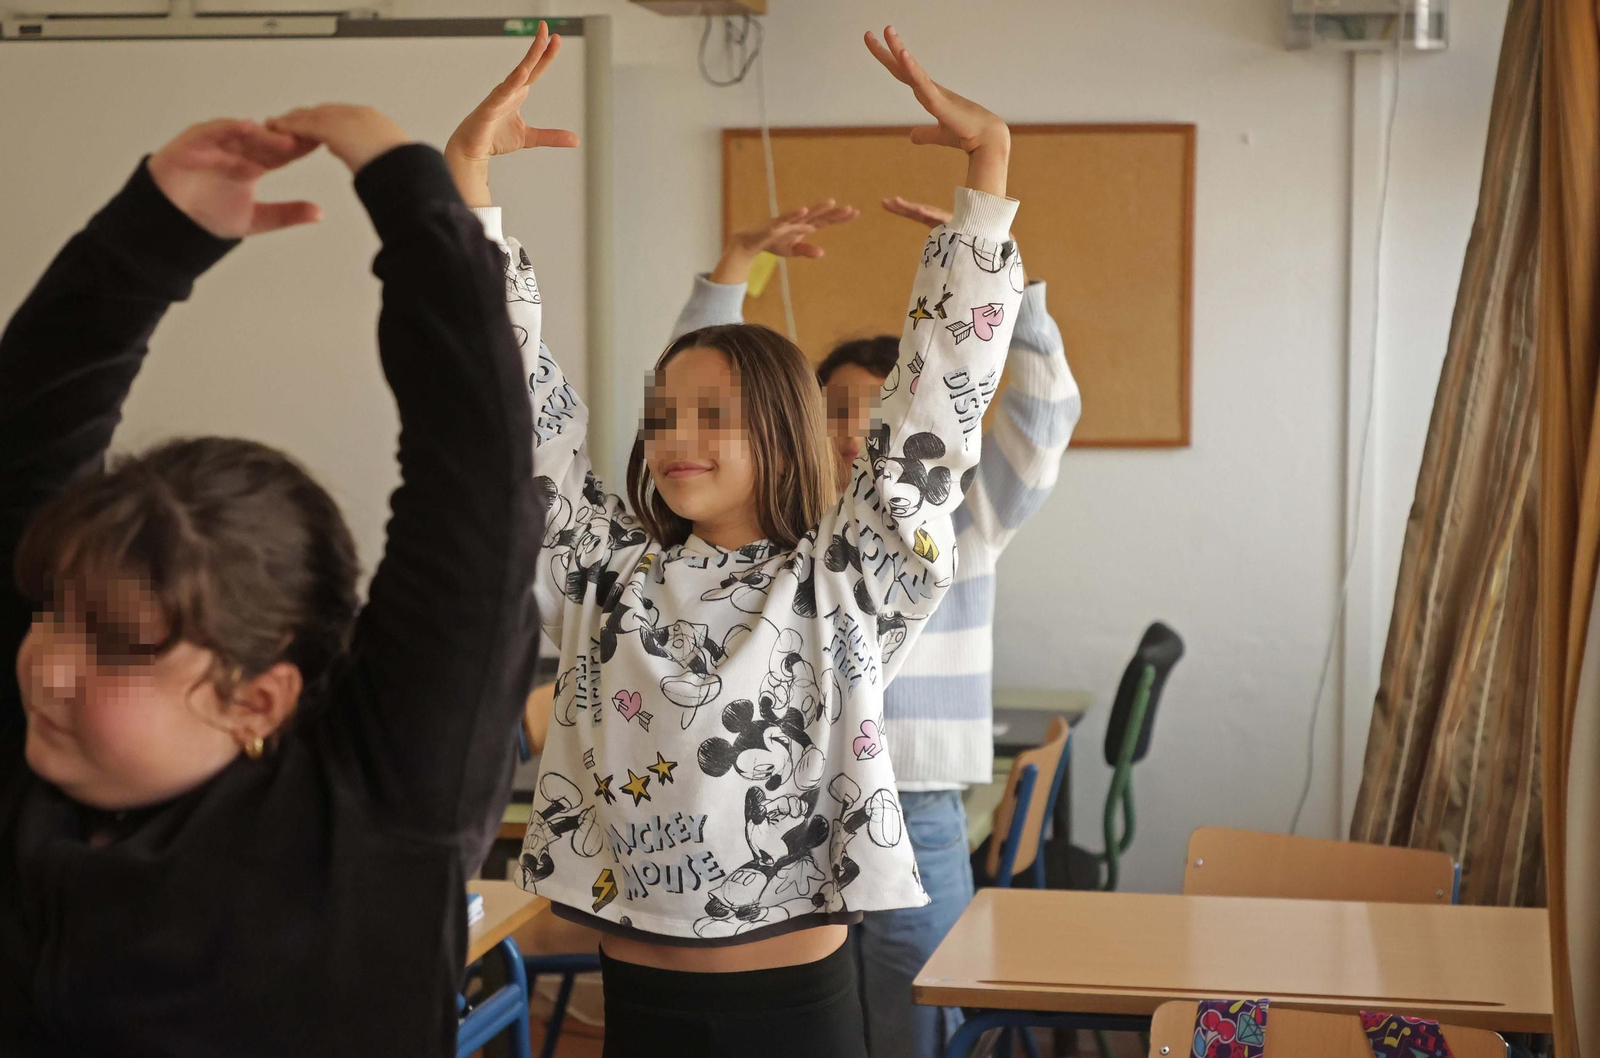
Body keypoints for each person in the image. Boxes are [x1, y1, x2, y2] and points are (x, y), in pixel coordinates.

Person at [446, 24, 1022, 1058]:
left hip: (791, 1002)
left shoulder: (841, 578)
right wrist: (468, 188)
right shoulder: (603, 572)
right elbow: (513, 409)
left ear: (779, 427)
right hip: (640, 997)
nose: (675, 438)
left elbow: (935, 406)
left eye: (713, 415)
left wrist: (988, 176)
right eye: (664, 414)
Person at [0, 93, 542, 1053]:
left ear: (258, 701)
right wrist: (148, 240)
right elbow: (27, 448)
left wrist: (415, 199)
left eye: (120, 648)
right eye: (49, 613)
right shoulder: (42, 752)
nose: (45, 665)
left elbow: (477, 490)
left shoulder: (374, 814)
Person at [673, 193, 1080, 1058]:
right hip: (787, 807)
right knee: (805, 1016)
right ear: (798, 430)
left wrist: (1004, 270)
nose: (856, 431)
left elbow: (1043, 419)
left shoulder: (961, 523)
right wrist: (730, 273)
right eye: (834, 410)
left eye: (877, 411)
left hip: (919, 802)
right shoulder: (778, 531)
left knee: (914, 1006)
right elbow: (689, 397)